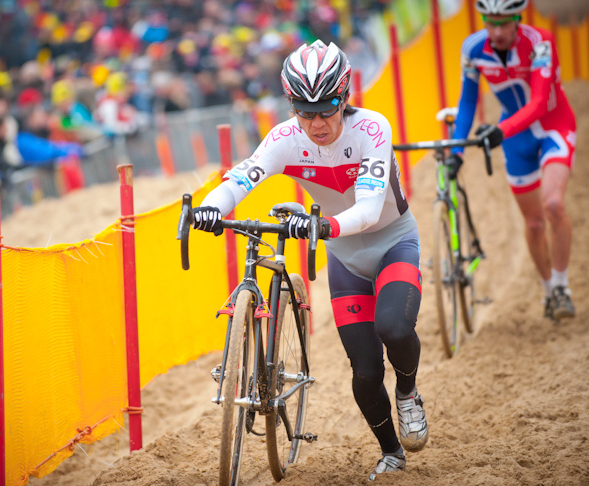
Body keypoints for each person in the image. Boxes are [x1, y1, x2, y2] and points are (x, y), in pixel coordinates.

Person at [191, 40, 428, 481]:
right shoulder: (285, 138)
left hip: (392, 240)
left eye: (328, 108)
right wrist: (211, 207)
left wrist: (324, 226)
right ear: (291, 106)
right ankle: (392, 451)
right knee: (365, 370)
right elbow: (241, 178)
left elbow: (371, 209)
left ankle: (409, 391)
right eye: (304, 110)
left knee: (394, 328)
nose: (317, 122)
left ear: (345, 97)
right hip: (345, 257)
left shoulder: (372, 129)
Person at [446, 0, 576, 320]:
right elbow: (467, 102)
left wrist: (500, 130)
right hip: (516, 139)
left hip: (552, 126)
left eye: (505, 22)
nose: (497, 30)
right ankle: (548, 291)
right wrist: (457, 151)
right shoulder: (473, 49)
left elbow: (539, 101)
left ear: (517, 18)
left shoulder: (539, 43)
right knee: (533, 224)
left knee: (554, 205)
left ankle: (562, 286)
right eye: (490, 22)